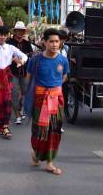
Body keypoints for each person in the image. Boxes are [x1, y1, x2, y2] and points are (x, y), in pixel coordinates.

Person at [26, 28, 69, 176]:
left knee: (54, 131)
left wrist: (54, 89)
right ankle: (37, 153)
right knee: (39, 131)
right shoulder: (35, 59)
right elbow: (28, 78)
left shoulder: (63, 60)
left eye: (57, 41)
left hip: (56, 99)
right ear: (44, 42)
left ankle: (50, 162)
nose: (55, 44)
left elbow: (64, 76)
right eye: (51, 41)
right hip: (39, 99)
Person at [0, 26, 27, 139]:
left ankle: (6, 126)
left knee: (7, 101)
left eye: (4, 35)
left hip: (7, 77)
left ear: (7, 36)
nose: (2, 37)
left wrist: (20, 62)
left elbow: (24, 56)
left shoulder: (11, 48)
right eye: (0, 34)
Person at [7, 21, 33, 124]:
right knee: (14, 93)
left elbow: (31, 54)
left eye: (22, 31)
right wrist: (13, 58)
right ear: (15, 31)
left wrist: (26, 55)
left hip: (25, 71)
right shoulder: (9, 42)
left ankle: (20, 108)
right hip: (12, 71)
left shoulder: (26, 42)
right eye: (18, 30)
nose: (20, 32)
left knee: (25, 92)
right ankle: (17, 114)